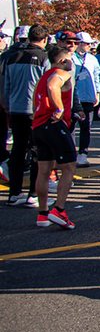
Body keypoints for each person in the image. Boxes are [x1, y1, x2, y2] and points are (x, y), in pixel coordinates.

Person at [31, 43, 77, 230]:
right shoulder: (61, 73)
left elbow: (36, 96)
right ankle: (59, 209)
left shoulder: (43, 76)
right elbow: (53, 86)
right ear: (63, 60)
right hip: (53, 124)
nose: (72, 63)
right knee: (69, 167)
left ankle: (42, 213)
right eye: (70, 59)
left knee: (44, 169)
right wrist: (59, 108)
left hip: (39, 126)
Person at [3, 24, 49, 207]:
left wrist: (7, 106)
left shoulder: (12, 57)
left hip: (15, 109)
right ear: (44, 40)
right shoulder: (43, 58)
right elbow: (47, 86)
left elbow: (5, 86)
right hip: (35, 111)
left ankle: (14, 193)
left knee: (18, 150)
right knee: (37, 151)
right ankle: (33, 194)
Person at [70, 32, 100, 167]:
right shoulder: (70, 58)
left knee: (86, 128)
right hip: (73, 98)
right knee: (71, 127)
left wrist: (98, 93)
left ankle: (83, 154)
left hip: (88, 97)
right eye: (86, 43)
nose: (89, 46)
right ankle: (70, 154)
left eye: (90, 44)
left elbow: (96, 76)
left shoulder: (92, 59)